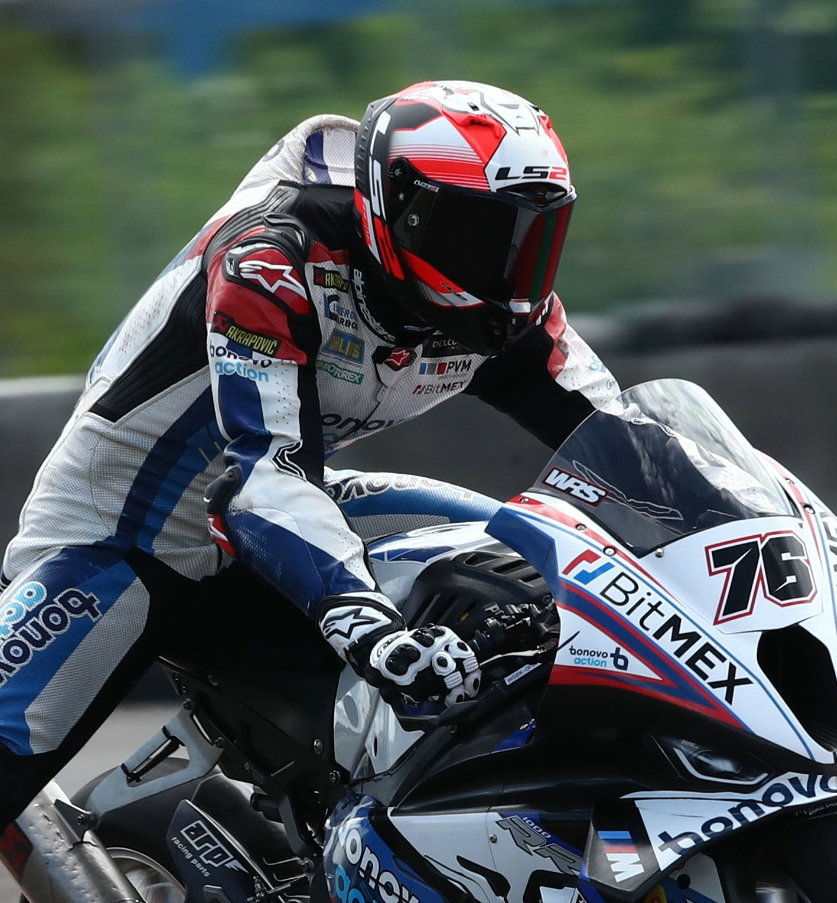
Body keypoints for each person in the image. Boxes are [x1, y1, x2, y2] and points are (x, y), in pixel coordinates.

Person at [0, 80, 621, 830]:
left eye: (530, 239)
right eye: (480, 235)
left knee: (536, 567)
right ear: (402, 211)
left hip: (292, 509)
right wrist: (371, 627)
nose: (507, 270)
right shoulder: (271, 260)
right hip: (126, 537)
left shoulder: (506, 308)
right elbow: (263, 474)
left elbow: (632, 446)